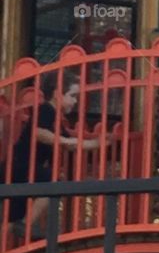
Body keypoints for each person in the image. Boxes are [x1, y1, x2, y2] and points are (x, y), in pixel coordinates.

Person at [7, 71, 99, 240]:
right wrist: (64, 141)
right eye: (72, 95)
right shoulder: (46, 110)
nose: (75, 101)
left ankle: (11, 238)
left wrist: (96, 144)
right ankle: (25, 226)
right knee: (52, 182)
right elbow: (39, 133)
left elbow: (71, 144)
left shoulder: (56, 118)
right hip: (20, 165)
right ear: (57, 93)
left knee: (11, 215)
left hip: (23, 168)